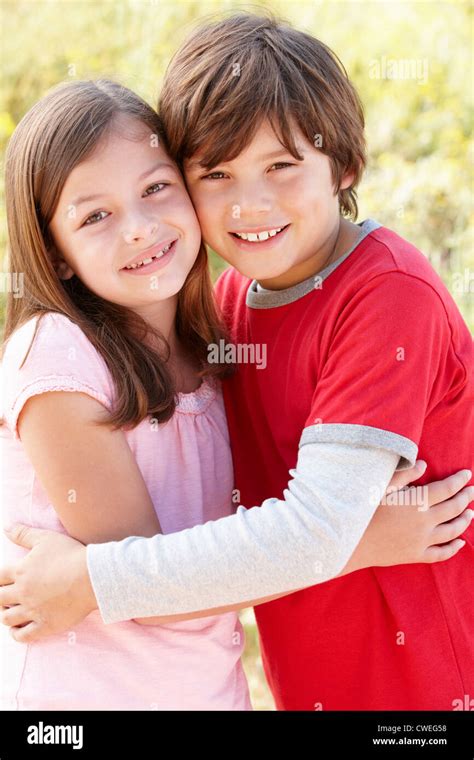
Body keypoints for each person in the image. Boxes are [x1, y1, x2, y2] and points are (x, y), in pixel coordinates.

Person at [2, 14, 473, 711]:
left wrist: (90, 581)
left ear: (344, 163)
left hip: (422, 684)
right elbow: (247, 521)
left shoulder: (384, 298)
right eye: (216, 173)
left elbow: (309, 526)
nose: (250, 203)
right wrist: (352, 541)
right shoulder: (225, 313)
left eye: (282, 166)